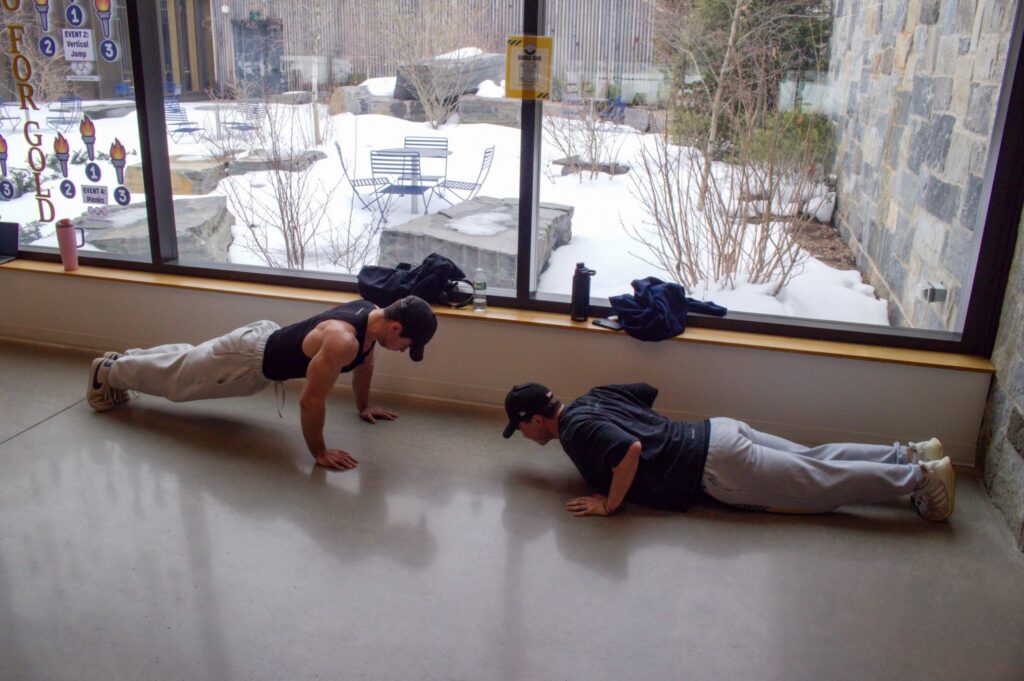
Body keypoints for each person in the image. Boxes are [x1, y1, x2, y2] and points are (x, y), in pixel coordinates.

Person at [501, 382, 955, 521]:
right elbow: (644, 392)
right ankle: (909, 454)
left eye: (519, 428)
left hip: (717, 468)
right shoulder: (591, 398)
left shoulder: (576, 431)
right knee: (816, 457)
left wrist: (610, 503)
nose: (521, 435)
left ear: (536, 420)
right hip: (718, 430)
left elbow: (629, 450)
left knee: (820, 484)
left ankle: (923, 479)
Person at [87, 296, 438, 472]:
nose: (403, 351)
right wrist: (319, 453)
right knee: (178, 383)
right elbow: (311, 401)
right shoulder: (343, 340)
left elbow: (365, 365)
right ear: (395, 328)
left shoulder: (372, 315)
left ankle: (125, 361)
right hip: (245, 361)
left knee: (186, 362)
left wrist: (363, 407)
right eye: (406, 345)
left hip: (259, 345)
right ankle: (107, 373)